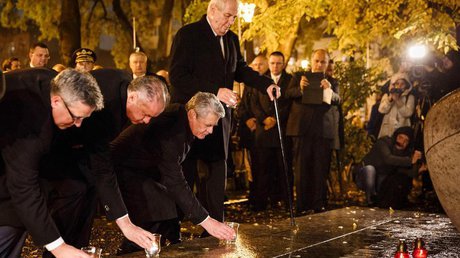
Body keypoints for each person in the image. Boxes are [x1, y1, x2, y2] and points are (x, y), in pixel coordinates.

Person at [169, 0, 279, 227]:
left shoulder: (231, 39)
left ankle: (214, 226)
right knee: (185, 172)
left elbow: (240, 69)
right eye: (228, 16)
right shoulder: (188, 35)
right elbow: (178, 76)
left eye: (234, 18)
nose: (231, 22)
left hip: (219, 120)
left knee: (217, 172)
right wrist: (215, 91)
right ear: (212, 10)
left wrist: (265, 84)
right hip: (191, 118)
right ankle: (173, 228)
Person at [39, 71, 168, 256]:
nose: (147, 121)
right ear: (132, 97)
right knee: (71, 202)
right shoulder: (107, 106)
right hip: (56, 152)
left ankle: (79, 251)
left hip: (81, 153)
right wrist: (126, 225)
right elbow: (102, 166)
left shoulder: (125, 86)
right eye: (146, 113)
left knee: (88, 197)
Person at [111, 92, 235, 254]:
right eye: (208, 125)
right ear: (192, 114)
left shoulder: (183, 119)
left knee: (169, 216)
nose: (210, 131)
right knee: (153, 214)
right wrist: (207, 221)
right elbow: (175, 181)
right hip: (123, 167)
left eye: (213, 126)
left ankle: (168, 247)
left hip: (147, 170)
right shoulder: (172, 129)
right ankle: (129, 253)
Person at [0, 68, 103, 257]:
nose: (78, 124)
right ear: (56, 101)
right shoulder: (32, 125)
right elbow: (23, 187)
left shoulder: (53, 84)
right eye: (76, 117)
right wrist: (59, 247)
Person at [285, 49, 340, 214]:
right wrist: (300, 89)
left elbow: (338, 100)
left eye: (323, 62)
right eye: (316, 60)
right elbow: (287, 94)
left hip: (322, 132)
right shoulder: (299, 77)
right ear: (311, 61)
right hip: (302, 130)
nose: (319, 64)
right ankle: (301, 206)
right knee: (301, 170)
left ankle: (318, 204)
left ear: (327, 63)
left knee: (320, 169)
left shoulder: (332, 82)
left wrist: (329, 90)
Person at [250, 51, 293, 211]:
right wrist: (263, 119)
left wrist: (275, 119)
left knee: (284, 169)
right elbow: (254, 103)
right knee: (262, 168)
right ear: (269, 63)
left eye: (278, 63)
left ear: (283, 64)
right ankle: (261, 203)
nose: (275, 66)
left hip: (281, 131)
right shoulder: (261, 79)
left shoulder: (289, 80)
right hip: (263, 132)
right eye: (273, 63)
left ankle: (286, 203)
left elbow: (288, 104)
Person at [355, 126, 424, 208]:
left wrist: (418, 169)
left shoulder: (401, 153)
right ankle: (370, 201)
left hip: (381, 178)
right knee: (370, 170)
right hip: (364, 176)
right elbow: (388, 159)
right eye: (400, 137)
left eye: (406, 141)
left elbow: (404, 171)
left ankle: (377, 200)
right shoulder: (383, 142)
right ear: (396, 136)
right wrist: (410, 160)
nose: (402, 142)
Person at [377, 72, 415, 138]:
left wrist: (398, 100)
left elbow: (408, 113)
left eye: (402, 84)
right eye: (397, 83)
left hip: (402, 132)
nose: (399, 86)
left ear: (406, 85)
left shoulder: (410, 97)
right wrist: (390, 99)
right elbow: (381, 110)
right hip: (386, 132)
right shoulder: (387, 96)